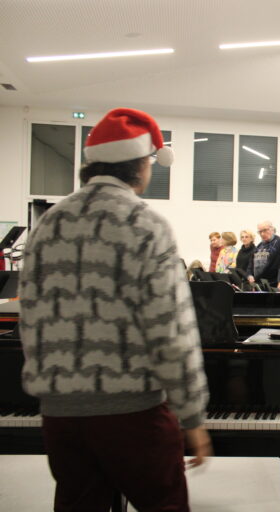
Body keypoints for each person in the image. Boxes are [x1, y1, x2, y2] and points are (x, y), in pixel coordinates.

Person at [18, 108, 210, 511]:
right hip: (132, 413)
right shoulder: (145, 224)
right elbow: (170, 330)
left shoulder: (49, 224)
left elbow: (30, 317)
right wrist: (192, 416)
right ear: (140, 164)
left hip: (61, 418)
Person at [246, 221, 280, 287]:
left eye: (265, 230)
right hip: (259, 283)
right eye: (260, 232)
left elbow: (274, 266)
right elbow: (251, 263)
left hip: (272, 284)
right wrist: (249, 275)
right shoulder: (259, 245)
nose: (262, 234)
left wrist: (256, 278)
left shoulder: (279, 242)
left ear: (272, 229)